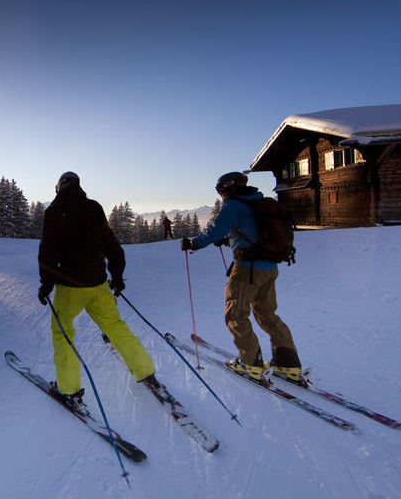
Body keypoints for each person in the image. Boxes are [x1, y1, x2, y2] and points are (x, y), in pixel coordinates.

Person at [38, 171, 159, 407]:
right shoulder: (93, 207)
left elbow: (47, 251)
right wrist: (117, 276)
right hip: (98, 283)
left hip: (70, 287)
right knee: (115, 325)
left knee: (62, 333)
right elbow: (111, 244)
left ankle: (68, 389)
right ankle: (144, 369)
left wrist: (46, 283)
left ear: (58, 187)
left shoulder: (53, 211)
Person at [180, 172, 302, 381]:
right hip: (269, 267)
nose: (222, 196)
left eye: (221, 192)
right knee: (267, 314)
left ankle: (249, 362)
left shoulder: (234, 205)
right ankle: (287, 363)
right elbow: (253, 232)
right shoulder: (258, 202)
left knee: (235, 314)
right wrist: (229, 241)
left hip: (247, 269)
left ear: (227, 188)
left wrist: (193, 243)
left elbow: (215, 230)